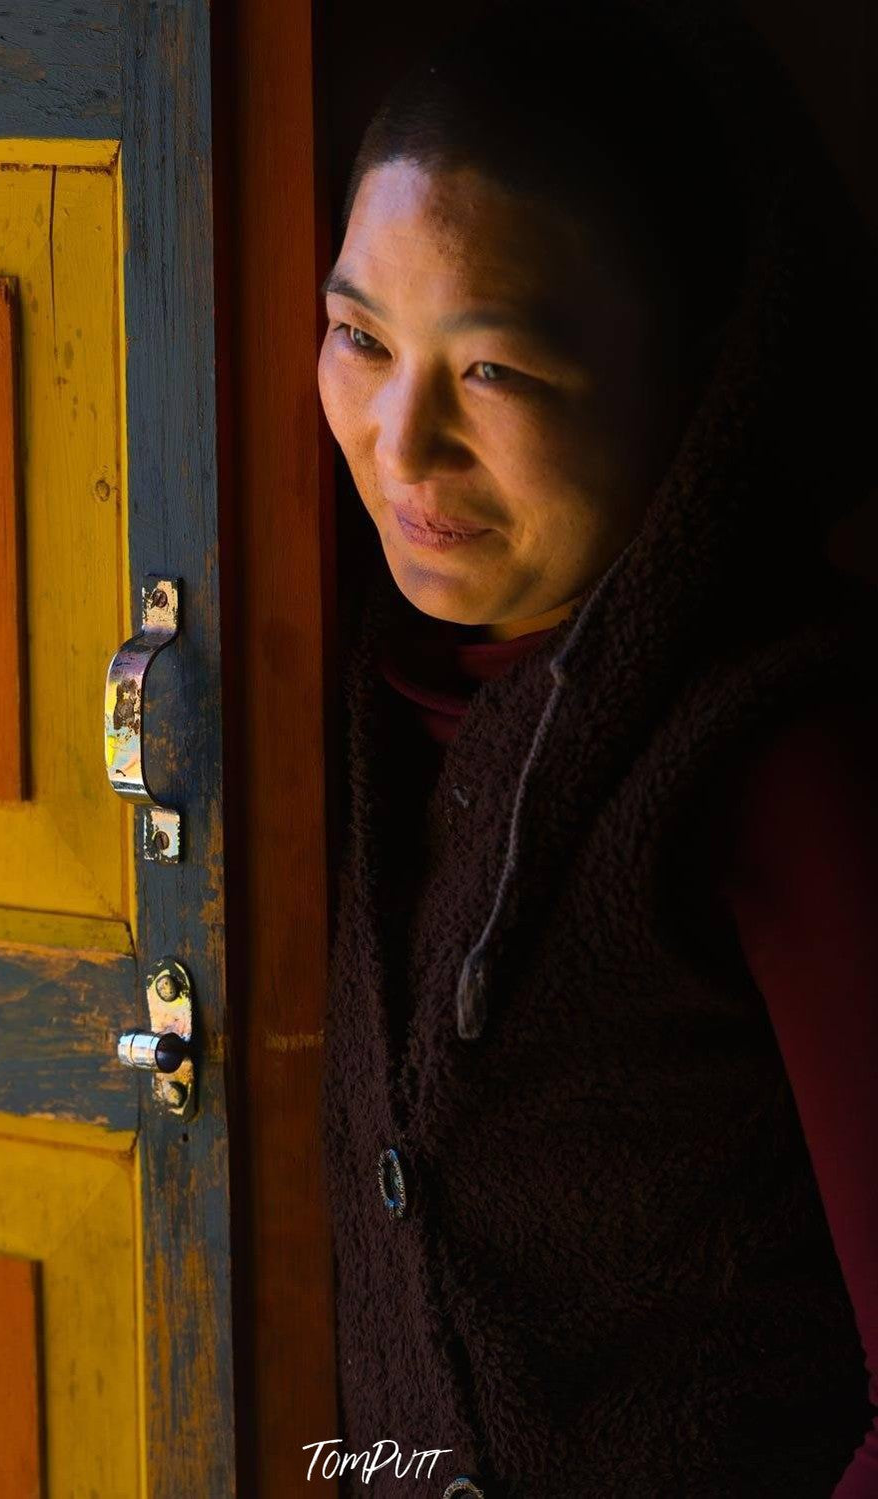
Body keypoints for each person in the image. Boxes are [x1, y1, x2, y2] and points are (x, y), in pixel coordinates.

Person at [315, 0, 878, 1493]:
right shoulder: (352, 706)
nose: (398, 440)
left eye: (492, 371)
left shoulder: (779, 759)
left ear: (690, 384)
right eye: (360, 337)